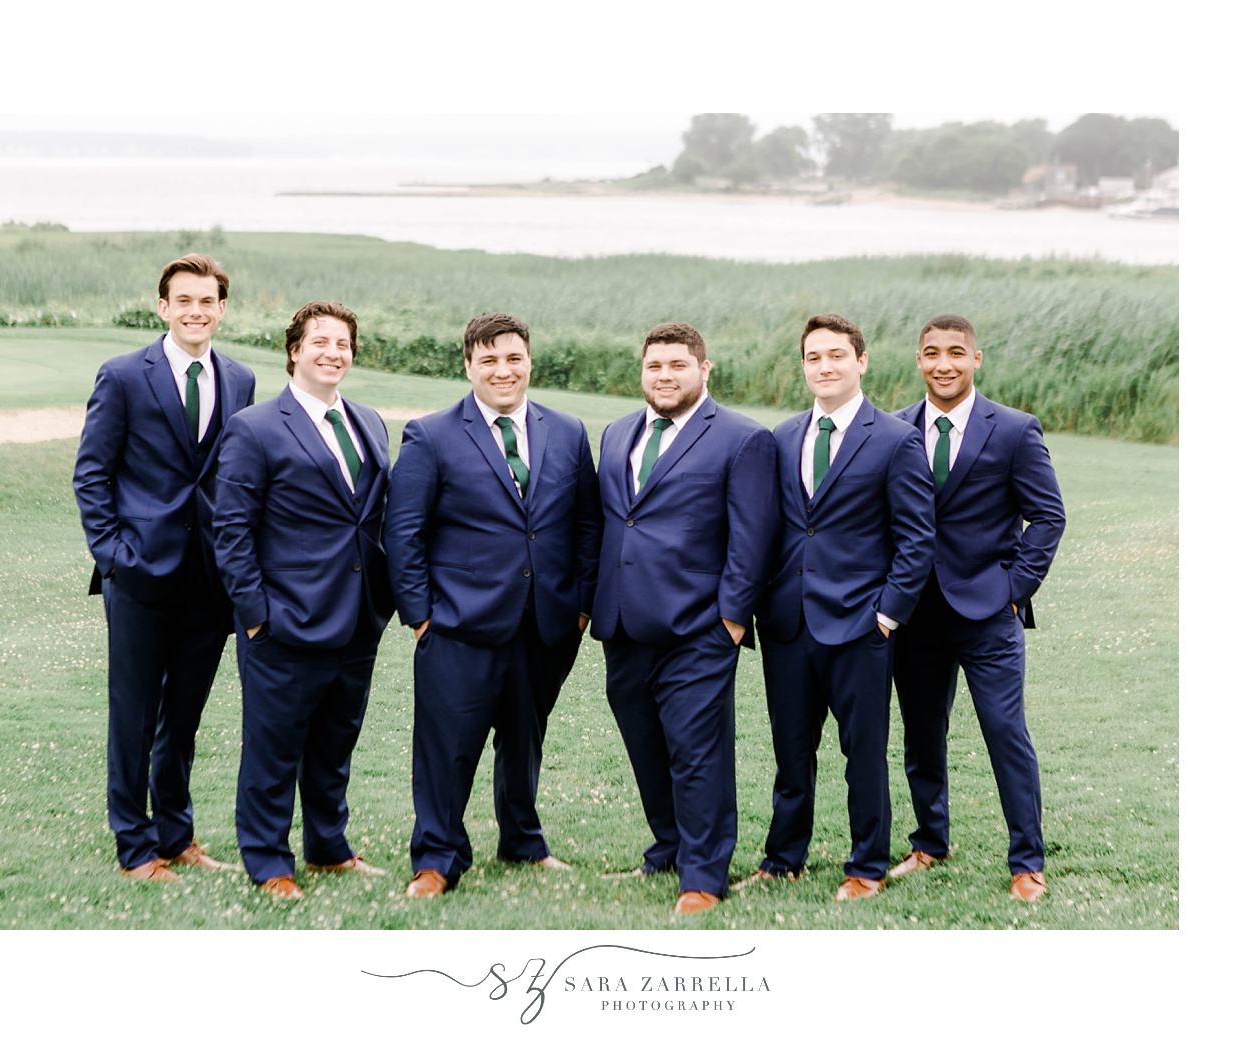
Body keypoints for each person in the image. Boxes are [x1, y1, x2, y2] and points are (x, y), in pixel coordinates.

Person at [384, 313, 601, 898]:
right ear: (468, 366)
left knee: (525, 740)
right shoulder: (431, 436)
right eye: (488, 361)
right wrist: (420, 615)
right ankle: (437, 858)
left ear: (529, 360)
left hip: (545, 622)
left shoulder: (568, 431)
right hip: (457, 623)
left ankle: (523, 842)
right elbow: (403, 533)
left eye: (513, 359)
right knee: (446, 747)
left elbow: (587, 523)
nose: (502, 371)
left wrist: (580, 604)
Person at [739, 312, 935, 902]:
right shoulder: (780, 437)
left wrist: (887, 614)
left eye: (836, 356)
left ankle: (867, 865)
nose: (825, 367)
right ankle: (782, 859)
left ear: (861, 361)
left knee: (863, 753)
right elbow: (770, 528)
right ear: (803, 366)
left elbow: (916, 538)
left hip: (860, 625)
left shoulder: (897, 439)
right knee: (790, 750)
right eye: (813, 358)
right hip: (787, 622)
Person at [73, 253, 256, 881]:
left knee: (183, 716)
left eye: (207, 302)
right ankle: (134, 846)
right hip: (139, 574)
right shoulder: (124, 375)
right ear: (163, 307)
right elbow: (92, 473)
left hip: (209, 580)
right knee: (133, 715)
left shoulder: (241, 379)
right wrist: (114, 556)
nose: (196, 312)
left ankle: (177, 836)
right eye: (184, 301)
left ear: (222, 309)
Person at [210, 301, 394, 898]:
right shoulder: (256, 426)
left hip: (357, 617)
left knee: (335, 743)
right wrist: (256, 616)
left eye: (343, 343)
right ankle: (268, 862)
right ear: (294, 350)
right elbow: (231, 531)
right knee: (273, 749)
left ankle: (328, 848)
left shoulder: (369, 421)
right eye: (319, 342)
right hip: (284, 621)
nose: (332, 352)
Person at [593, 322, 777, 916]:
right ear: (642, 371)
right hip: (623, 625)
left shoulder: (742, 438)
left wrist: (732, 619)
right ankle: (668, 848)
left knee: (698, 753)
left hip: (699, 629)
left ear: (704, 369)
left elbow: (753, 538)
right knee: (646, 747)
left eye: (678, 365)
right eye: (655, 367)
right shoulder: (618, 433)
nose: (665, 376)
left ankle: (703, 876)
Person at [889, 313, 1066, 901]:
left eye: (956, 353)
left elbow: (1048, 517)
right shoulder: (893, 430)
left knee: (1004, 731)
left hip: (989, 613)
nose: (944, 364)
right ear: (919, 359)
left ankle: (1028, 861)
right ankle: (929, 844)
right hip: (915, 615)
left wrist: (1015, 590)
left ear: (976, 359)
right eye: (933, 353)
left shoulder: (1014, 430)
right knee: (922, 734)